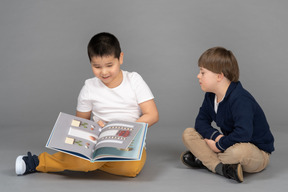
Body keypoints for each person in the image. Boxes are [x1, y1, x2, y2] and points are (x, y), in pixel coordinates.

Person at [15, 32, 159, 177]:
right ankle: (37, 162)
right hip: (100, 142)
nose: (104, 72)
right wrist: (98, 132)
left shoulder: (134, 80)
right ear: (90, 63)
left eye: (109, 65)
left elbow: (152, 115)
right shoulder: (89, 87)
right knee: (85, 160)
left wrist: (125, 130)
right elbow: (81, 124)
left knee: (131, 169)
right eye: (97, 66)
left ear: (120, 58)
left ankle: (91, 163)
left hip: (129, 143)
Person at [181, 47, 274, 183]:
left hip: (254, 151)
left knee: (238, 153)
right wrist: (217, 137)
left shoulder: (240, 99)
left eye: (202, 72)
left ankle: (205, 159)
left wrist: (218, 146)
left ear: (219, 76)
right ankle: (222, 168)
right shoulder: (210, 96)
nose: (198, 76)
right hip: (229, 143)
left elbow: (243, 134)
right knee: (188, 134)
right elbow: (200, 122)